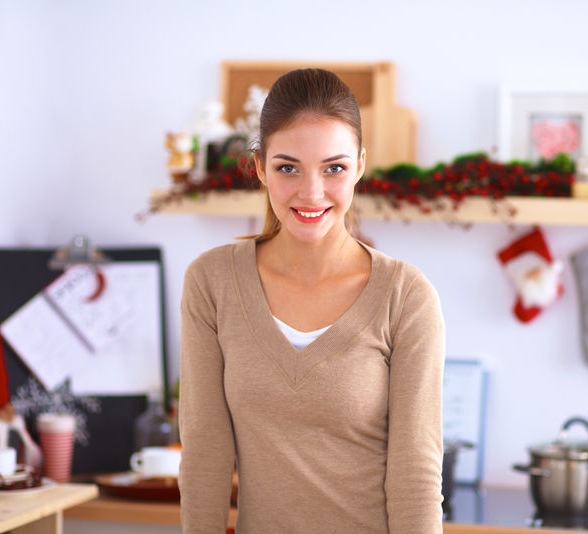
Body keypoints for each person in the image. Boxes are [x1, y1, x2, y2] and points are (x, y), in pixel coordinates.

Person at [178, 68, 445, 533]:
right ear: (260, 167)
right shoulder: (211, 281)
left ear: (359, 165)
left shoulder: (405, 295)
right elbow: (204, 456)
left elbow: (416, 474)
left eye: (334, 168)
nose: (312, 192)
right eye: (288, 168)